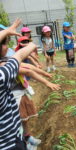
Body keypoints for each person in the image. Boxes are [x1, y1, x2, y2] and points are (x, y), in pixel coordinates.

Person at [0, 19, 37, 150]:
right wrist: (31, 45)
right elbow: (20, 58)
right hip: (10, 142)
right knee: (24, 118)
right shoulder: (3, 73)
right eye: (6, 42)